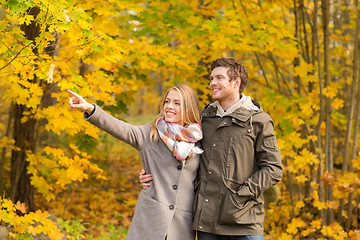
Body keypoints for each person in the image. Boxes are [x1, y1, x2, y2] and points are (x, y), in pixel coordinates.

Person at [140, 58, 283, 240]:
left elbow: (273, 169)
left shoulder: (258, 120)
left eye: (218, 78)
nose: (212, 83)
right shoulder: (203, 119)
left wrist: (239, 196)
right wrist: (150, 171)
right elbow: (180, 153)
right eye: (211, 78)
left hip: (244, 223)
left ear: (236, 82)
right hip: (207, 223)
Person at [68, 85, 203, 240]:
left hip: (181, 226)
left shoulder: (198, 139)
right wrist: (89, 108)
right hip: (150, 222)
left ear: (189, 107)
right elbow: (119, 127)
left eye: (177, 103)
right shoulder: (149, 134)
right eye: (167, 101)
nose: (169, 107)